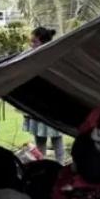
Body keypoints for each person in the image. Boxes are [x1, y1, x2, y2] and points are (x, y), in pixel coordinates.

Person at [23, 27, 65, 163]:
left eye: (34, 41)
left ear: (43, 42)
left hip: (52, 106)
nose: (32, 45)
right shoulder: (30, 57)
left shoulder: (54, 57)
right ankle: (41, 167)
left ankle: (60, 166)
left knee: (57, 139)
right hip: (37, 106)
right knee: (40, 140)